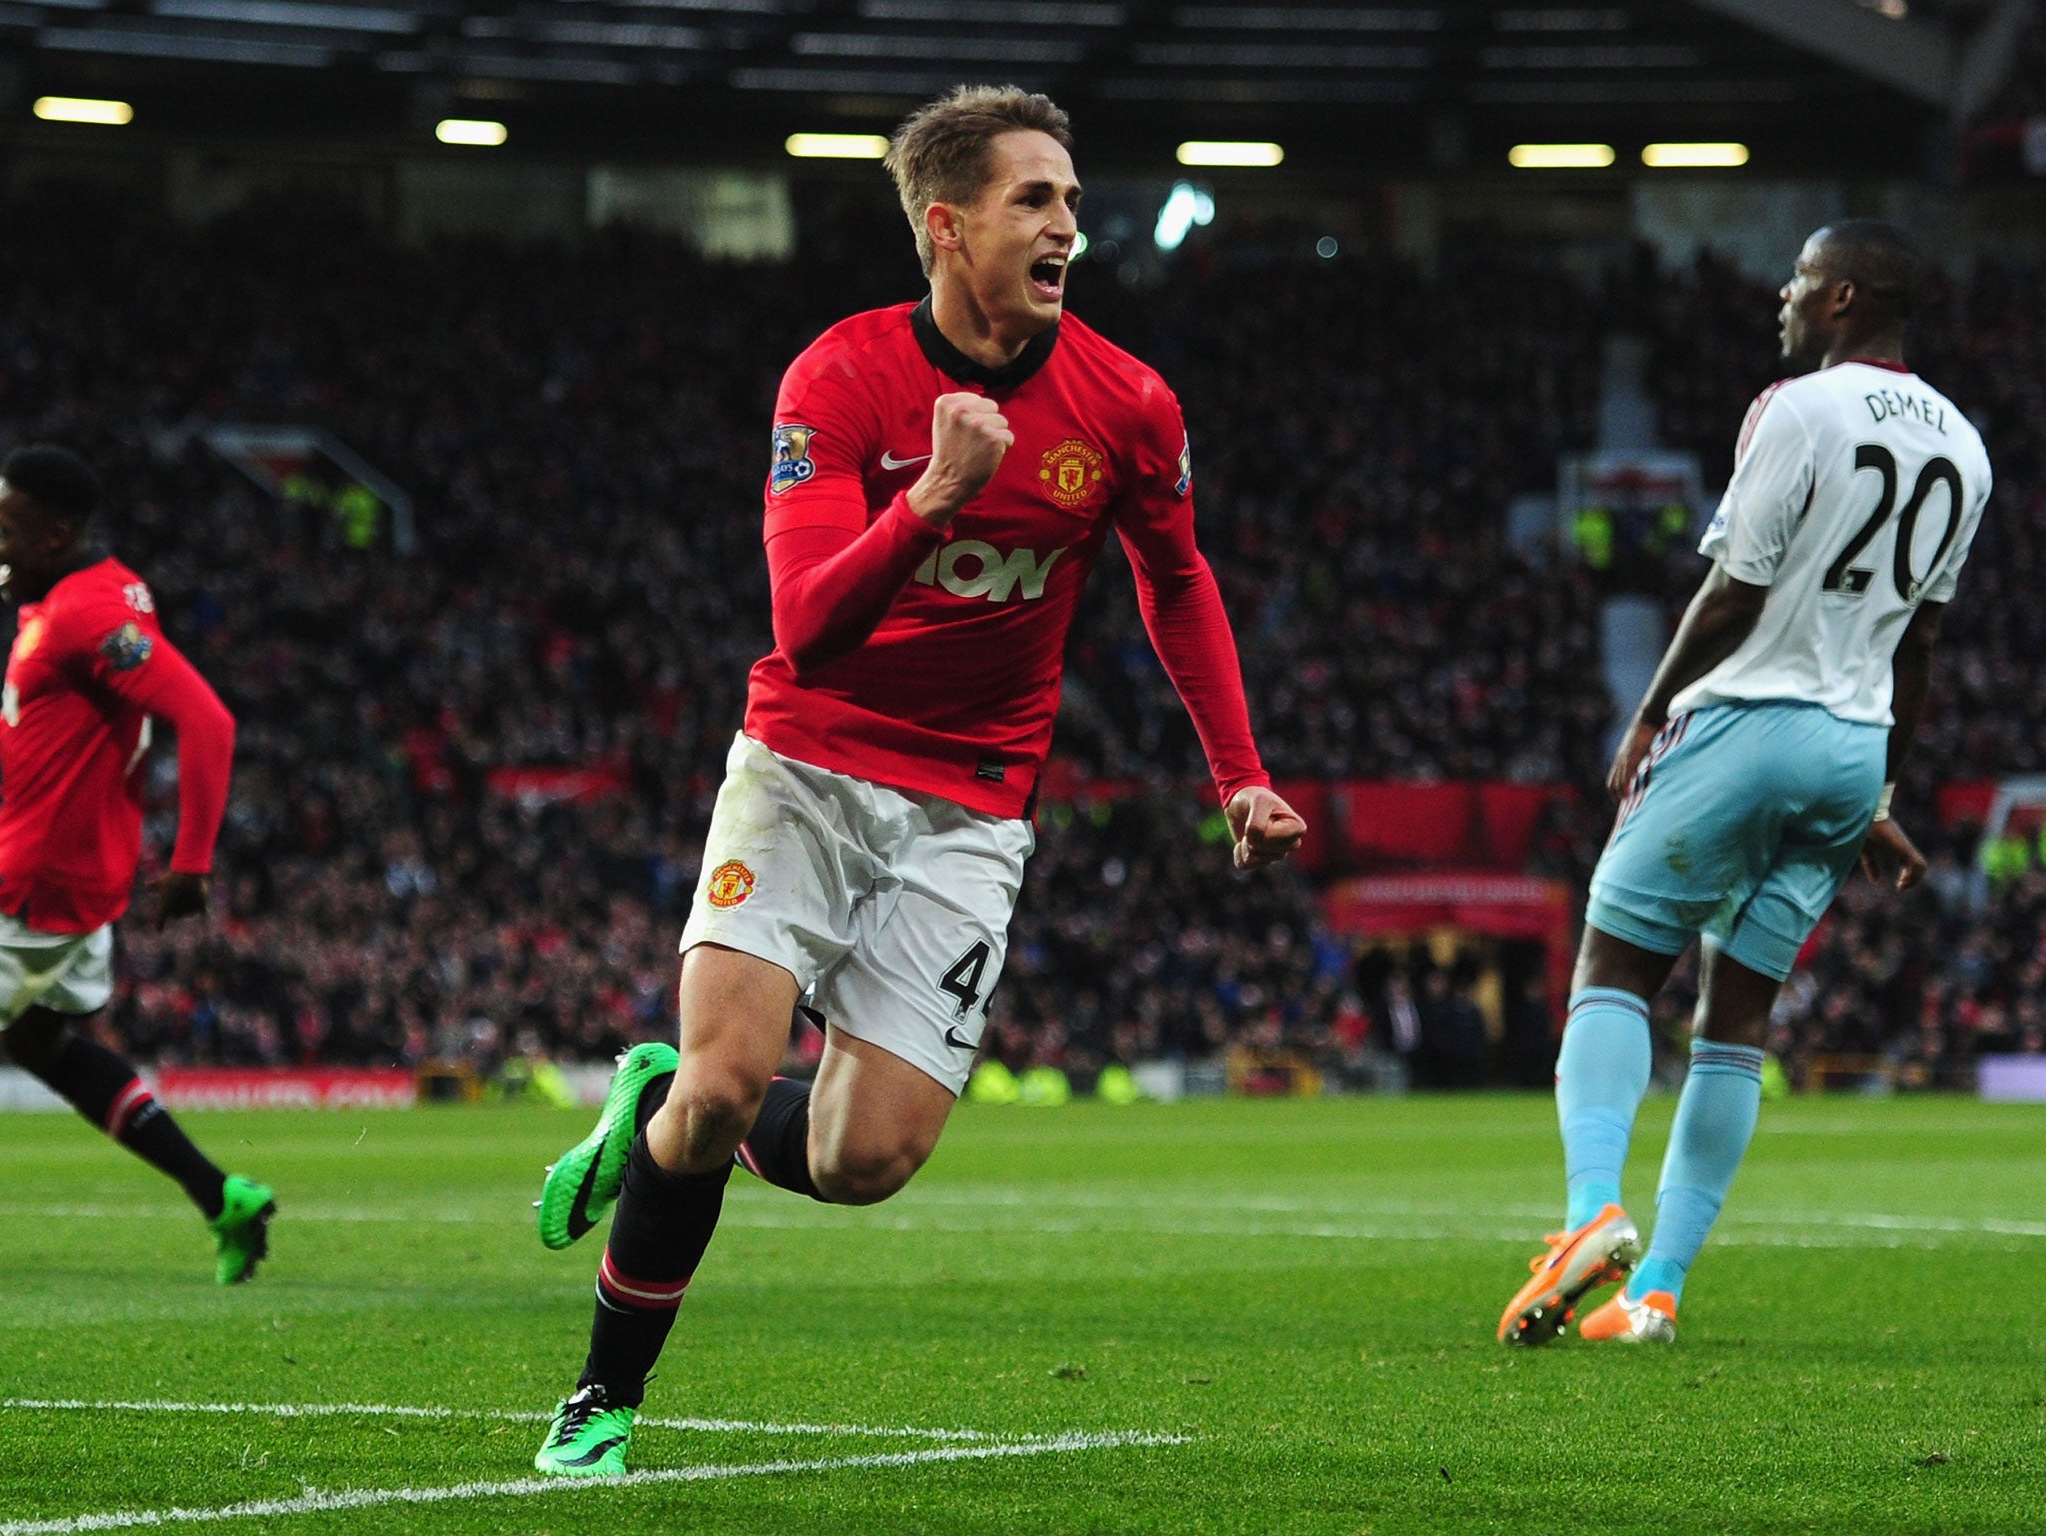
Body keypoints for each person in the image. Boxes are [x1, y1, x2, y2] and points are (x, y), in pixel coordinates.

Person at [530, 84, 1305, 1474]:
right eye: (1035, 199)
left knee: (862, 1163)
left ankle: (651, 1106)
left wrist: (1238, 773)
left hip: (972, 805)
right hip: (809, 765)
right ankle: (603, 1401)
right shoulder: (836, 379)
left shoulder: (1128, 403)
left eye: (1071, 198)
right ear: (947, 229)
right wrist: (928, 502)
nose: (1070, 221)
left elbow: (1175, 580)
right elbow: (805, 628)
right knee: (721, 1087)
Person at [1498, 222, 1991, 1346]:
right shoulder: (1965, 448)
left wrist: (1649, 708)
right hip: (1848, 751)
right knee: (1737, 1020)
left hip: (1746, 719)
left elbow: (1732, 590)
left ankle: (1586, 1217)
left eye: (1801, 277)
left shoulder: (1793, 408)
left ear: (1841, 299)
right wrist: (1875, 799)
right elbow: (1914, 649)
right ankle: (1655, 1292)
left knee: (1613, 964)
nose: (1782, 290)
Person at [0, 445, 273, 1283]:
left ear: (52, 534)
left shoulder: (89, 616)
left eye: (6, 529)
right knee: (46, 1046)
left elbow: (209, 721)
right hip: (70, 880)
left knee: (43, 1041)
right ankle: (220, 1193)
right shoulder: (86, 595)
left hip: (33, 884)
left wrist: (192, 863)